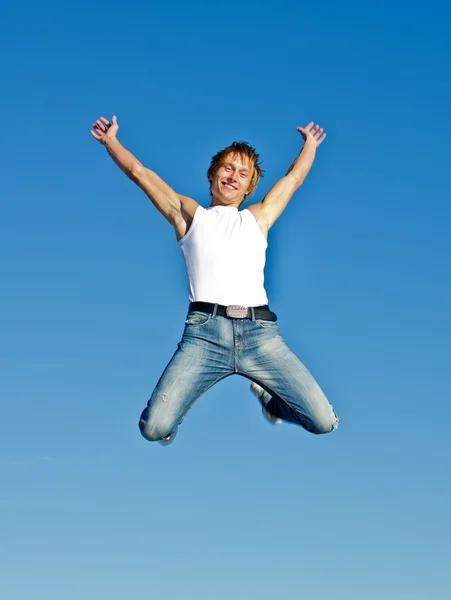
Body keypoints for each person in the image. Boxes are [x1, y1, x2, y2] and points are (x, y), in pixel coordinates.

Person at [90, 116, 338, 444]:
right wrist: (111, 143)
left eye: (243, 173)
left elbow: (293, 180)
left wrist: (310, 145)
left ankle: (273, 404)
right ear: (212, 175)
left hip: (261, 335)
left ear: (250, 187)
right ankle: (172, 418)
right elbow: (141, 174)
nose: (233, 176)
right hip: (205, 336)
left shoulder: (258, 218)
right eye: (227, 168)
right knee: (154, 429)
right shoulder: (191, 216)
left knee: (324, 421)